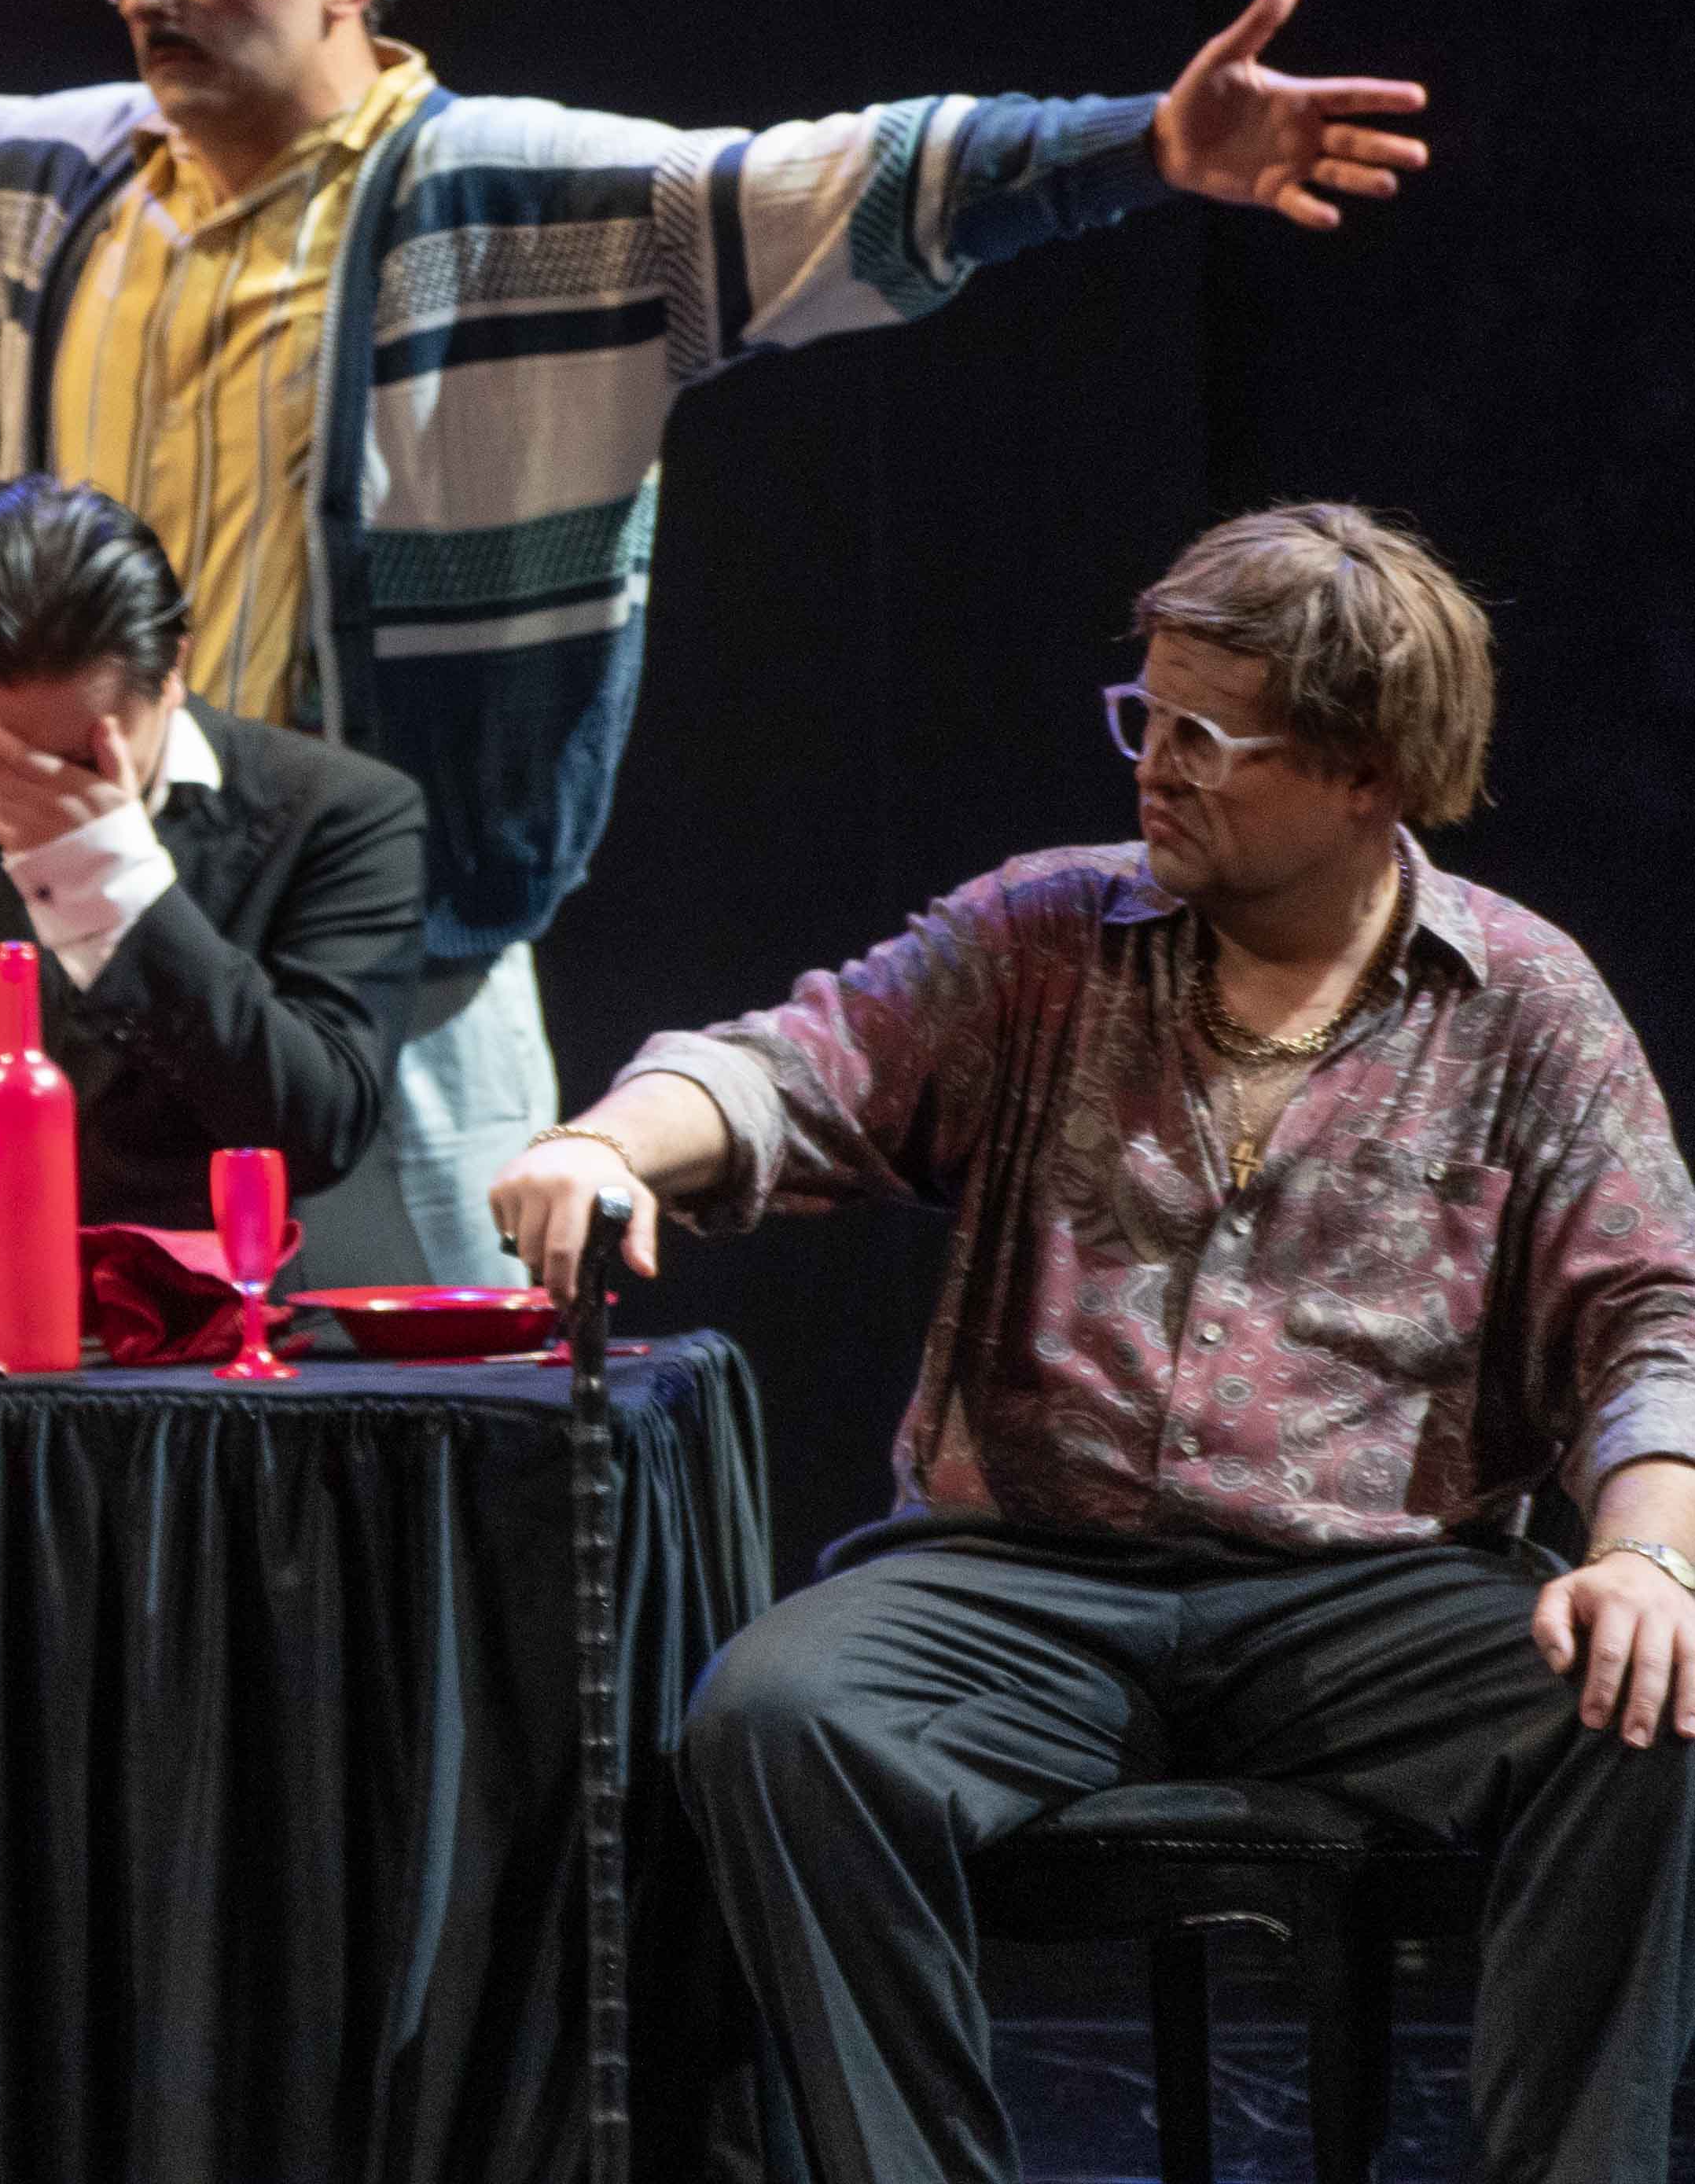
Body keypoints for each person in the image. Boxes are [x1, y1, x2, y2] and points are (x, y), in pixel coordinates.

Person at [0, 0, 1436, 1279]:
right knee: (86, 1426)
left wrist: (1139, 148)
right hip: (86, 938)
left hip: (387, 961)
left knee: (440, 1414)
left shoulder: (518, 201)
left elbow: (830, 182)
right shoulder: (58, 191)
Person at [493, 507, 1695, 2184]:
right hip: (1027, 1579)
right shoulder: (1041, 937)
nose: (1154, 765)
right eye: (1146, 714)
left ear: (1365, 771)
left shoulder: (1520, 1002)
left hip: (1371, 1595)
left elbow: (1647, 1312)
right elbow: (790, 1064)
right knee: (773, 1716)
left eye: (1207, 735)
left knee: (1646, 1698)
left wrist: (1646, 1554)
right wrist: (607, 1141)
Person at [0, 475, 426, 1274]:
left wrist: (107, 878)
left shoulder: (341, 812)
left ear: (173, 669)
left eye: (77, 761)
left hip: (261, 1306)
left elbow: (318, 1128)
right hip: (4, 1319)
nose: (34, 792)